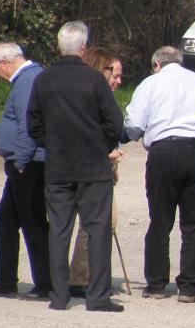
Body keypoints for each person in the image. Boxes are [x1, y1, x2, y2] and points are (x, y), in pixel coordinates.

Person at [26, 21, 125, 312]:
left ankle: (59, 297)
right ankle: (97, 297)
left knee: (58, 229)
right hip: (93, 167)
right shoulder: (94, 80)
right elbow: (114, 123)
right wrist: (101, 145)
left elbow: (33, 125)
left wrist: (54, 144)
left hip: (58, 166)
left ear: (59, 47)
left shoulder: (44, 80)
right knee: (97, 229)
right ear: (84, 47)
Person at [122, 46, 195, 302]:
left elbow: (134, 124)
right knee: (194, 223)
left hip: (163, 151)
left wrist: (125, 136)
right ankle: (188, 287)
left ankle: (155, 284)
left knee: (160, 221)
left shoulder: (151, 83)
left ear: (156, 64)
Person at [0, 42, 51, 300]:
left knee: (32, 221)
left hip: (28, 162)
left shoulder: (26, 81)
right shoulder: (31, 77)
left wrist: (21, 160)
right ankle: (5, 281)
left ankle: (45, 283)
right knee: (6, 221)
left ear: (4, 63)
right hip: (25, 160)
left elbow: (28, 124)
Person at [67, 47, 125, 297]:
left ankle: (85, 275)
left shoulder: (104, 97)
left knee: (103, 222)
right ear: (101, 70)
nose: (118, 81)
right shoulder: (89, 98)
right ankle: (80, 278)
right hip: (88, 169)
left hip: (101, 168)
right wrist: (105, 153)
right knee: (100, 222)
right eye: (115, 75)